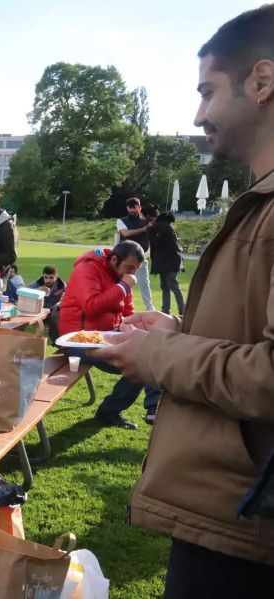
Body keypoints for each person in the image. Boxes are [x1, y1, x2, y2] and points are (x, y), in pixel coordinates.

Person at [94, 7, 274, 595]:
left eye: (208, 91)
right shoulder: (259, 201)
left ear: (262, 81)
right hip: (230, 509)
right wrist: (175, 332)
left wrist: (156, 358)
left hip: (246, 522)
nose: (198, 114)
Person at [58, 241, 161, 429]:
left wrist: (137, 325)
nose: (131, 274)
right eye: (129, 267)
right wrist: (123, 287)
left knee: (150, 348)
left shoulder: (122, 276)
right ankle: (112, 410)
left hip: (106, 336)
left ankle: (153, 408)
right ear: (114, 259)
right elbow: (91, 306)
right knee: (138, 361)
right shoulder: (87, 268)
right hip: (77, 340)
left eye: (135, 269)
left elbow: (127, 310)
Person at [141, 204, 185, 316]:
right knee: (165, 287)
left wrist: (150, 230)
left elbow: (156, 243)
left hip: (169, 260)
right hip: (164, 261)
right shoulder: (160, 225)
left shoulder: (163, 226)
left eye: (144, 216)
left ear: (148, 215)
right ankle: (165, 311)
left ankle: (183, 310)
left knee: (173, 286)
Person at [115, 197, 156, 311]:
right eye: (130, 207)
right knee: (121, 283)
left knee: (144, 284)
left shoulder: (146, 221)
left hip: (140, 259)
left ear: (139, 207)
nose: (132, 210)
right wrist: (144, 229)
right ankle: (119, 307)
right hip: (124, 259)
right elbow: (126, 233)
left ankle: (150, 308)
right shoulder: (121, 221)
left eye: (135, 207)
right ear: (127, 208)